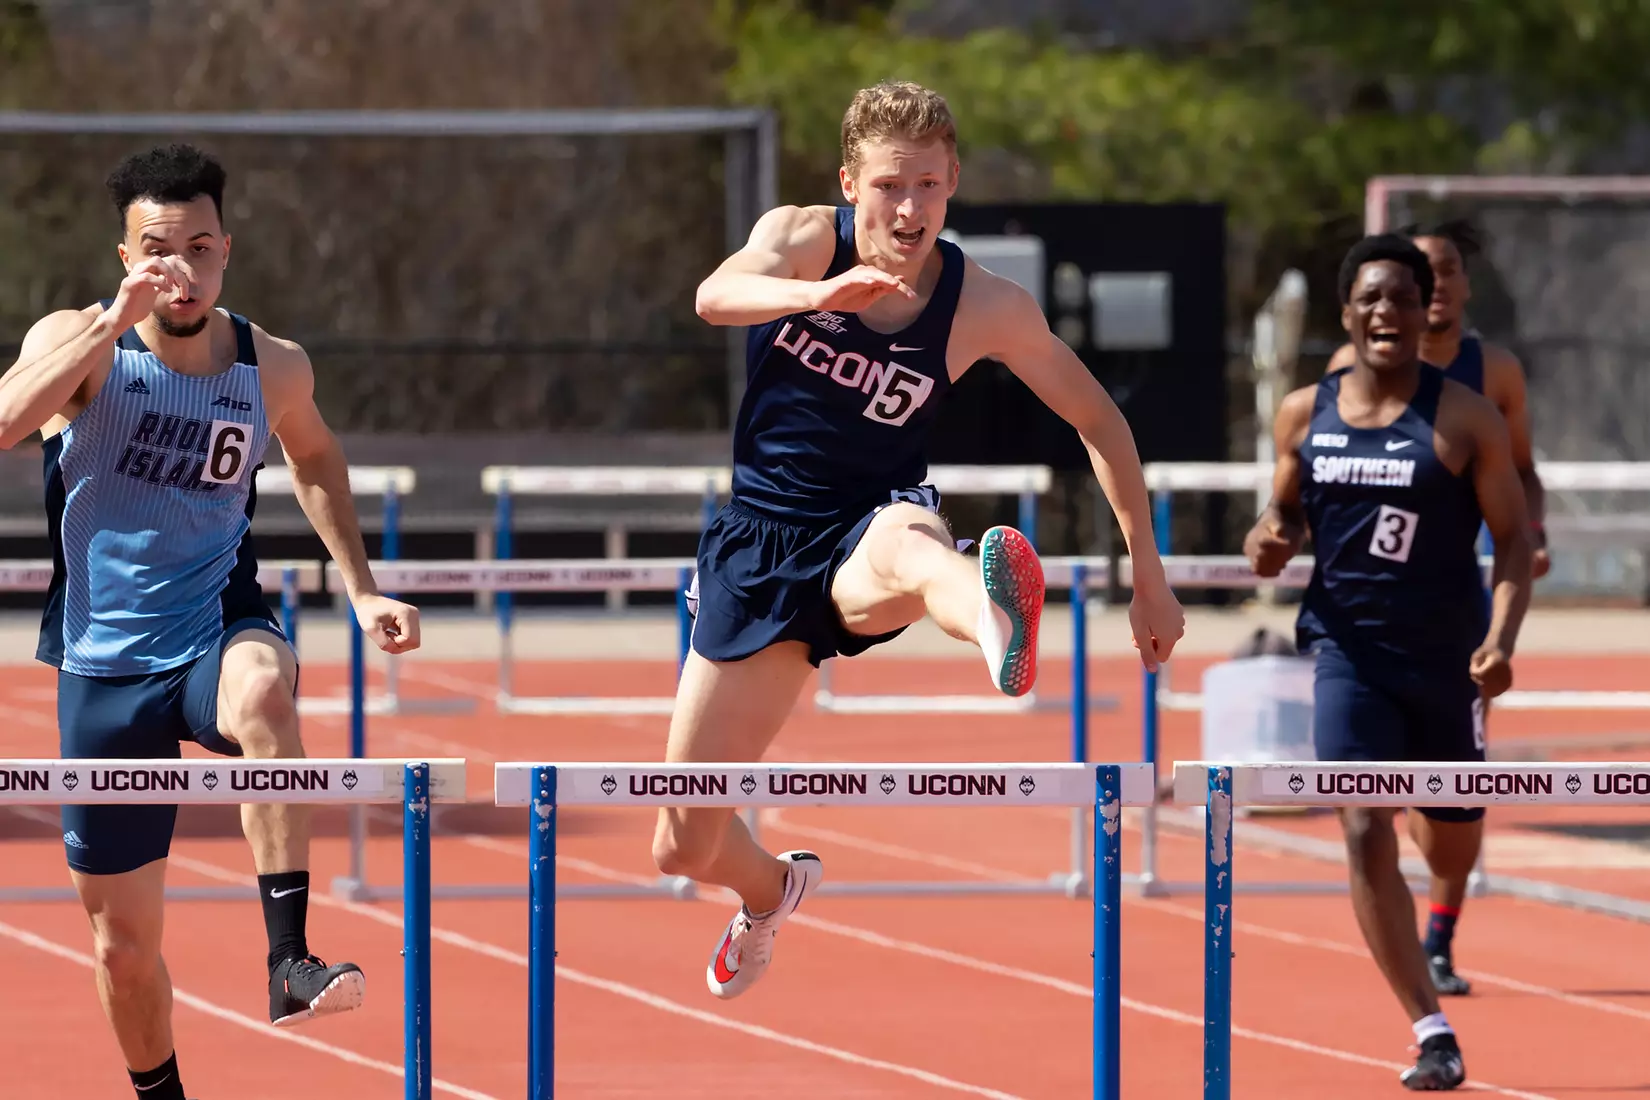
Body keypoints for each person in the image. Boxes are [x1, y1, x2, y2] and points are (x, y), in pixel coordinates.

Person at [664, 79, 1185, 1000]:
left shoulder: (984, 304)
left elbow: (1100, 421)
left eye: (932, 188)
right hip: (757, 541)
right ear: (850, 184)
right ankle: (773, 891)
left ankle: (992, 618)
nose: (911, 211)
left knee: (912, 545)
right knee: (682, 840)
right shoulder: (800, 235)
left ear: (954, 186)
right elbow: (713, 295)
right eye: (891, 187)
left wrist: (1148, 572)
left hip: (872, 523)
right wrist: (821, 292)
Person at [0, 144, 420, 1100]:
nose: (178, 271)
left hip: (213, 628)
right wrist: (113, 324)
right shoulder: (80, 341)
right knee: (123, 952)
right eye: (158, 249)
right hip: (103, 667)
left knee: (265, 690)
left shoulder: (270, 364)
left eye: (198, 248)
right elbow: (5, 421)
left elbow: (313, 458)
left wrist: (360, 589)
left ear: (226, 249)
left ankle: (289, 960)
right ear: (124, 255)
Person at [1248, 234, 1532, 1090]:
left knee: (1452, 842)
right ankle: (1430, 1028)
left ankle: (1440, 877)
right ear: (1347, 314)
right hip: (1347, 652)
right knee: (1362, 821)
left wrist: (1502, 642)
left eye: (1402, 300)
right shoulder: (1304, 413)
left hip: (1447, 658)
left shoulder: (1464, 417)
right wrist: (1273, 536)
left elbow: (1516, 543)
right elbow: (1288, 509)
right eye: (1370, 299)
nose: (1386, 313)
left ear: (1424, 314)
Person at [1326, 218, 1548, 996]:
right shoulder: (1346, 374)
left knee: (1453, 803)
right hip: (1365, 622)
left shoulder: (1495, 375)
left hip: (1464, 592)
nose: (1434, 285)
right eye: (1419, 272)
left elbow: (1523, 477)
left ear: (1452, 288)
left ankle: (1443, 931)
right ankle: (1428, 972)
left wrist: (1530, 541)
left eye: (1444, 271)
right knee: (1372, 808)